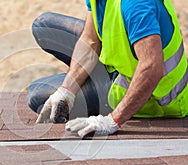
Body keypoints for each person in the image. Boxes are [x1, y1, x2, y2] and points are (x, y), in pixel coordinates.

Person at [27, 0, 188, 138]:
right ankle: (86, 82)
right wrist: (67, 89)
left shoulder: (136, 6)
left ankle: (103, 97)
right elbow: (90, 40)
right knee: (43, 25)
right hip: (121, 65)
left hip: (153, 97)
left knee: (37, 94)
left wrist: (112, 121)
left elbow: (152, 67)